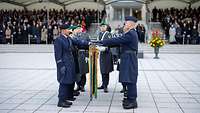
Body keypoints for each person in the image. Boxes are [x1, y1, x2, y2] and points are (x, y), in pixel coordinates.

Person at [95, 16, 138, 109]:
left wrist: (101, 42)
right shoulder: (130, 33)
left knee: (130, 79)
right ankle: (130, 98)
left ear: (130, 24)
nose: (124, 25)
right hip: (127, 57)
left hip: (129, 58)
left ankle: (132, 101)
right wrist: (101, 43)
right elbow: (117, 42)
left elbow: (117, 40)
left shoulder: (130, 34)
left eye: (126, 23)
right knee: (128, 78)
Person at [54, 24, 89, 108]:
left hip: (71, 64)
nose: (69, 31)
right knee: (64, 82)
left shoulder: (68, 38)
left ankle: (67, 97)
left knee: (69, 80)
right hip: (64, 64)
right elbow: (57, 55)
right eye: (67, 29)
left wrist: (89, 43)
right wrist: (61, 65)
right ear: (63, 30)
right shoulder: (59, 40)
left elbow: (78, 42)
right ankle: (61, 101)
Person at [97, 23, 113, 93]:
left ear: (106, 27)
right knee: (102, 70)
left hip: (107, 54)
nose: (102, 28)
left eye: (104, 26)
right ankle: (103, 84)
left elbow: (110, 43)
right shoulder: (100, 34)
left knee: (106, 70)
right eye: (101, 26)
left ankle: (106, 85)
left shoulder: (108, 34)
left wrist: (105, 48)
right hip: (101, 54)